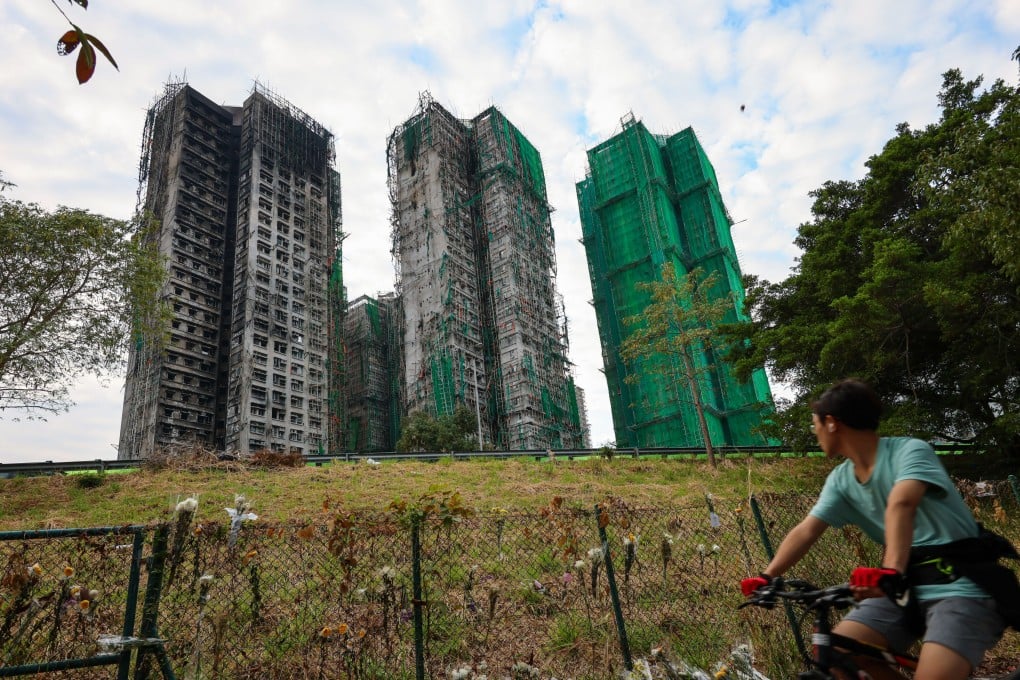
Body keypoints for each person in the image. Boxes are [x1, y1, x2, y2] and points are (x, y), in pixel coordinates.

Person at [740, 378, 1007, 680]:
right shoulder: (841, 480)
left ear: (831, 423)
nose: (814, 433)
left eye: (815, 424)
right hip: (904, 588)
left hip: (960, 585)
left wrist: (889, 571)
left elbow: (901, 503)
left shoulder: (910, 451)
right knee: (837, 652)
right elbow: (807, 530)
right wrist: (767, 575)